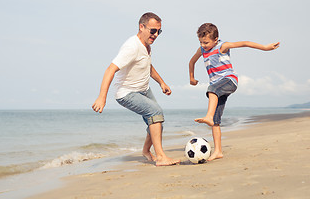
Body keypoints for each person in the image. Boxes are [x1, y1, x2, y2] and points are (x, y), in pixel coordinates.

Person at [92, 12, 180, 166]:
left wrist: (162, 83)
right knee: (156, 113)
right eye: (153, 30)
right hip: (127, 93)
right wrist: (102, 97)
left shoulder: (147, 45)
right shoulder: (131, 47)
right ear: (142, 27)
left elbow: (148, 65)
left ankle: (146, 151)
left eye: (159, 31)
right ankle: (160, 157)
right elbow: (110, 69)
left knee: (156, 121)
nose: (156, 35)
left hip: (143, 89)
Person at [189, 23, 280, 161]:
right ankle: (218, 151)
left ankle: (208, 115)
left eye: (206, 42)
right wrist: (191, 77)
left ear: (216, 39)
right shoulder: (202, 50)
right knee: (215, 121)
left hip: (229, 81)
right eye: (201, 42)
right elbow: (191, 62)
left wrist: (265, 47)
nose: (204, 45)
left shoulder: (222, 46)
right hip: (218, 87)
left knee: (211, 90)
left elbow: (245, 43)